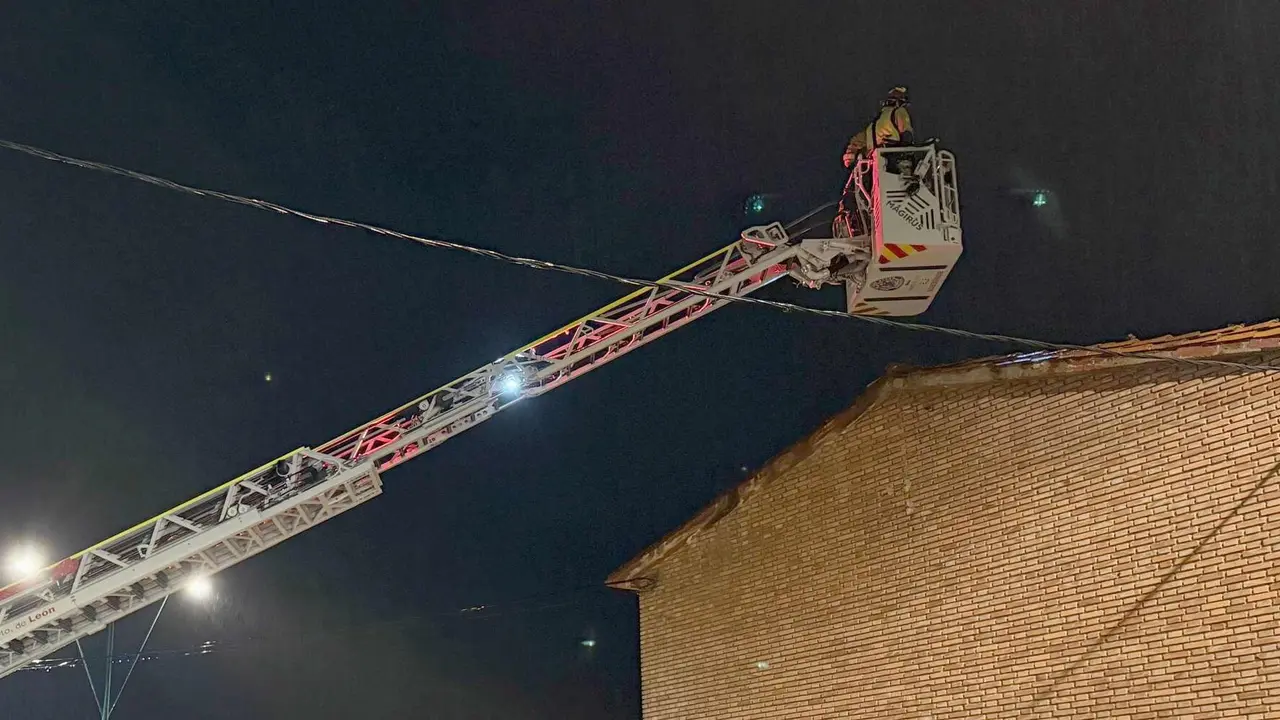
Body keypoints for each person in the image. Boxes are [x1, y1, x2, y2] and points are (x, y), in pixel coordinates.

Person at [842, 86, 915, 169]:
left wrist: (850, 158)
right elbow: (907, 135)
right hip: (894, 161)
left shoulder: (872, 126)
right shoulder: (899, 112)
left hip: (874, 166)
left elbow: (855, 143)